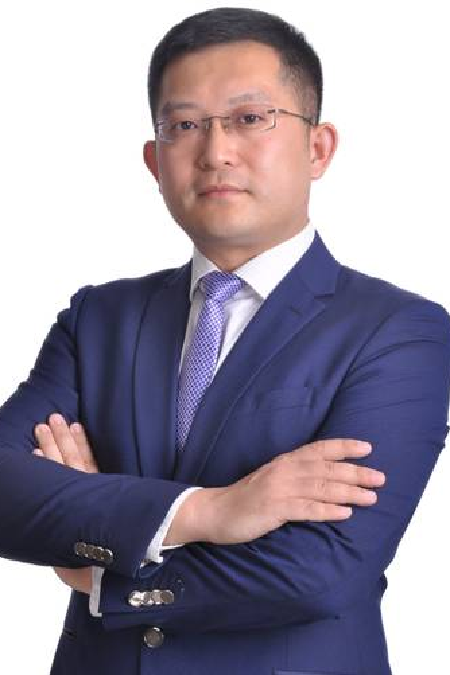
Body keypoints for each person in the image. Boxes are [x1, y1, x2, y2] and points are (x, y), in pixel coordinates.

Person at [0, 7, 449, 675]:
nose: (215, 152)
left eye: (250, 118)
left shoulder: (400, 332)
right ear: (154, 161)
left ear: (318, 148)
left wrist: (99, 568)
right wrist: (211, 511)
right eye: (184, 125)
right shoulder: (99, 318)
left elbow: (321, 571)